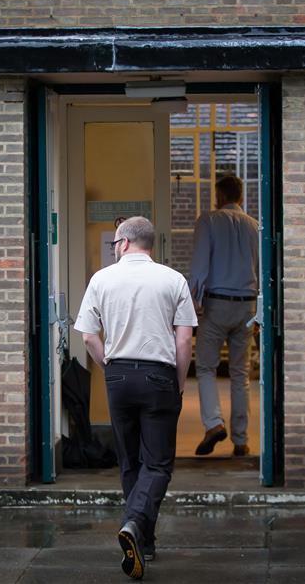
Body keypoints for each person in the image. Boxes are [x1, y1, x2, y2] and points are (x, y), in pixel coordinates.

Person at [75, 216, 197, 580]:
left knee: (130, 462)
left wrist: (109, 366)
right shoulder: (173, 280)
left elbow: (87, 336)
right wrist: (178, 381)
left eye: (115, 244)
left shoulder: (102, 279)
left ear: (125, 243)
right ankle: (135, 523)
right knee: (158, 464)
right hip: (159, 375)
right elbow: (185, 339)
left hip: (119, 375)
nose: (115, 249)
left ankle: (144, 541)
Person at [188, 174, 259, 457]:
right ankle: (241, 441)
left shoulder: (208, 220)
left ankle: (213, 424)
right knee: (240, 373)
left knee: (205, 367)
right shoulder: (255, 226)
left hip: (216, 304)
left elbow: (200, 265)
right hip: (247, 306)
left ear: (219, 196)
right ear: (240, 197)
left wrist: (193, 303)